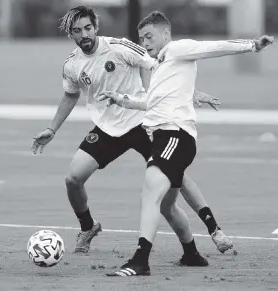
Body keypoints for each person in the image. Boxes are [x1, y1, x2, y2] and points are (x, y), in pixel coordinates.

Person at [31, 6, 232, 257]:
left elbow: (162, 66)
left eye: (87, 28)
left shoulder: (120, 47)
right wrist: (52, 128)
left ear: (96, 27)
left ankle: (213, 230)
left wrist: (190, 92)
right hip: (107, 129)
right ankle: (88, 227)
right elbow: (70, 95)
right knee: (72, 179)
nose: (84, 34)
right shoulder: (72, 65)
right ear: (70, 34)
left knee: (176, 178)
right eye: (77, 30)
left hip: (142, 122)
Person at [99, 11, 274, 276]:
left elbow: (212, 48)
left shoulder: (178, 50)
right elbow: (151, 103)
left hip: (174, 137)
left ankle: (140, 260)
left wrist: (252, 45)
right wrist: (121, 98)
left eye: (149, 36)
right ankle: (191, 254)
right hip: (167, 139)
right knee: (167, 206)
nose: (145, 42)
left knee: (150, 193)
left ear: (165, 33)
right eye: (141, 38)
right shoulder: (161, 67)